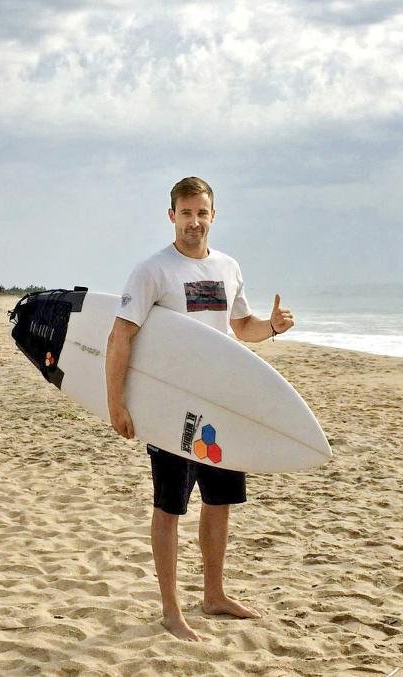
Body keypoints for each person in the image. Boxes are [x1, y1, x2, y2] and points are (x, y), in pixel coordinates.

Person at [105, 177, 294, 641]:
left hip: (221, 403)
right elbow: (120, 336)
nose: (194, 222)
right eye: (186, 213)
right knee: (169, 506)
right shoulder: (153, 270)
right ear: (172, 216)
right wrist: (117, 403)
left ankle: (213, 595)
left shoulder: (228, 267)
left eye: (202, 213)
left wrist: (270, 327)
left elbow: (239, 326)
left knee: (219, 500)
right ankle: (171, 610)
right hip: (172, 407)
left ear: (214, 215)